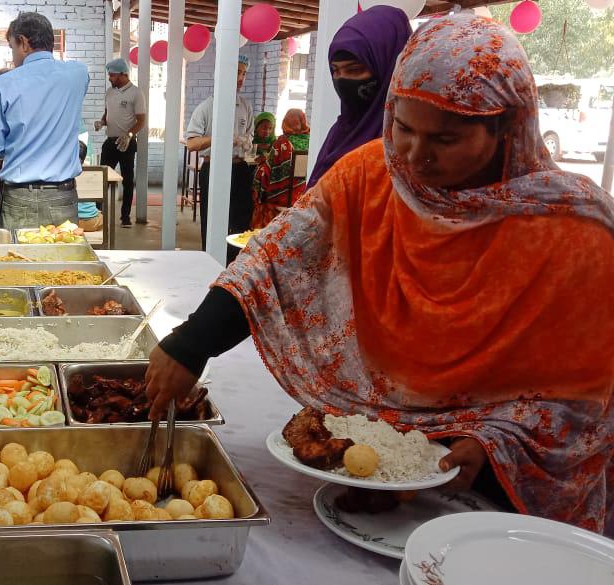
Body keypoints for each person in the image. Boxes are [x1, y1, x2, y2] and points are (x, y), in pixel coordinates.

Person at [146, 14, 614, 535]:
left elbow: (584, 401)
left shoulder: (573, 228)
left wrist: (495, 443)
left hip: (497, 490)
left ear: (507, 127)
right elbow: (272, 261)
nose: (414, 155)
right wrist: (189, 344)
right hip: (374, 457)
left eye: (446, 138)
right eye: (404, 126)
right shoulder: (370, 175)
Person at [0, 12, 90, 230]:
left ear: (23, 42)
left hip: (19, 198)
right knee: (64, 261)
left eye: (12, 47)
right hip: (63, 195)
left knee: (18, 261)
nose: (13, 56)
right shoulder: (78, 74)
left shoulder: (2, 85)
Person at [306, 5, 411, 188]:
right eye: (335, 71)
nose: (342, 80)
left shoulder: (409, 144)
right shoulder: (340, 133)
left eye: (355, 70)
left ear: (390, 67)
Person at [185, 54, 254, 264]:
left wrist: (244, 142)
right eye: (237, 73)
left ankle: (235, 267)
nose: (240, 78)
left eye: (243, 73)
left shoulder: (245, 106)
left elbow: (250, 137)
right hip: (213, 169)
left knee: (240, 220)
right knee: (213, 219)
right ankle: (211, 262)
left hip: (240, 169)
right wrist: (219, 139)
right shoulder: (207, 107)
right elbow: (192, 143)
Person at [95, 58, 146, 228]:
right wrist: (102, 122)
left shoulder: (136, 93)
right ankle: (99, 214)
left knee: (127, 180)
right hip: (110, 142)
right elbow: (107, 112)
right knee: (101, 178)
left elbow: (141, 120)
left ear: (123, 74)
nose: (109, 78)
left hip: (126, 143)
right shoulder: (110, 92)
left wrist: (129, 135)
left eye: (112, 75)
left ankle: (125, 216)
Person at [250, 109, 311, 228]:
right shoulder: (312, 141)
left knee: (258, 179)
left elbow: (268, 171)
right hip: (303, 196)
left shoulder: (283, 142)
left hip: (281, 199)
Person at [76, 141, 103, 233]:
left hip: (68, 221)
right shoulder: (93, 172)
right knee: (100, 215)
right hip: (91, 223)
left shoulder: (62, 171)